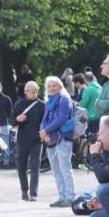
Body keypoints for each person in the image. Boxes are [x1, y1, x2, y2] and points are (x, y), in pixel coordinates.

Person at [39, 76, 76, 208]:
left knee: (65, 168)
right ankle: (61, 197)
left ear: (60, 87)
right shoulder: (48, 102)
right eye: (49, 86)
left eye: (54, 85)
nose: (51, 88)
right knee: (56, 169)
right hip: (50, 138)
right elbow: (44, 119)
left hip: (63, 137)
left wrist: (46, 130)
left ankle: (70, 197)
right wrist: (43, 132)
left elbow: (62, 118)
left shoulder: (64, 99)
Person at [12, 81, 45, 201]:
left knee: (35, 167)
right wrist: (17, 119)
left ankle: (33, 194)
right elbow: (12, 121)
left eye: (36, 91)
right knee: (21, 167)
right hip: (22, 140)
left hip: (37, 140)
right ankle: (24, 191)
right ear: (26, 92)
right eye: (32, 92)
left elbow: (45, 121)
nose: (35, 94)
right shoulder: (19, 104)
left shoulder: (42, 105)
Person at [0, 81, 14, 168]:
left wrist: (8, 121)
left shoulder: (7, 99)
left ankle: (6, 162)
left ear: (1, 88)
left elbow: (9, 112)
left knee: (5, 145)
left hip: (4, 124)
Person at [79, 71, 102, 139]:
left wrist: (77, 104)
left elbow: (83, 104)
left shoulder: (88, 89)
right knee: (96, 137)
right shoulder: (100, 87)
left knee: (88, 137)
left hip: (90, 116)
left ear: (85, 79)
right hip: (99, 115)